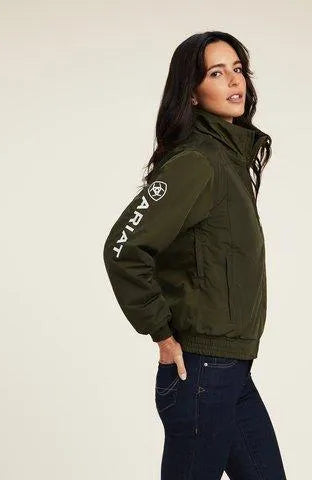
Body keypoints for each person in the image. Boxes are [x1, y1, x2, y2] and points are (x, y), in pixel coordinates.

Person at [103, 31, 287, 480]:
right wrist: (162, 334)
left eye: (238, 70)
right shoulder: (198, 162)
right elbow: (123, 248)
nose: (235, 81)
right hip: (202, 371)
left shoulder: (228, 160)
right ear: (192, 93)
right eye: (216, 73)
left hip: (231, 371)